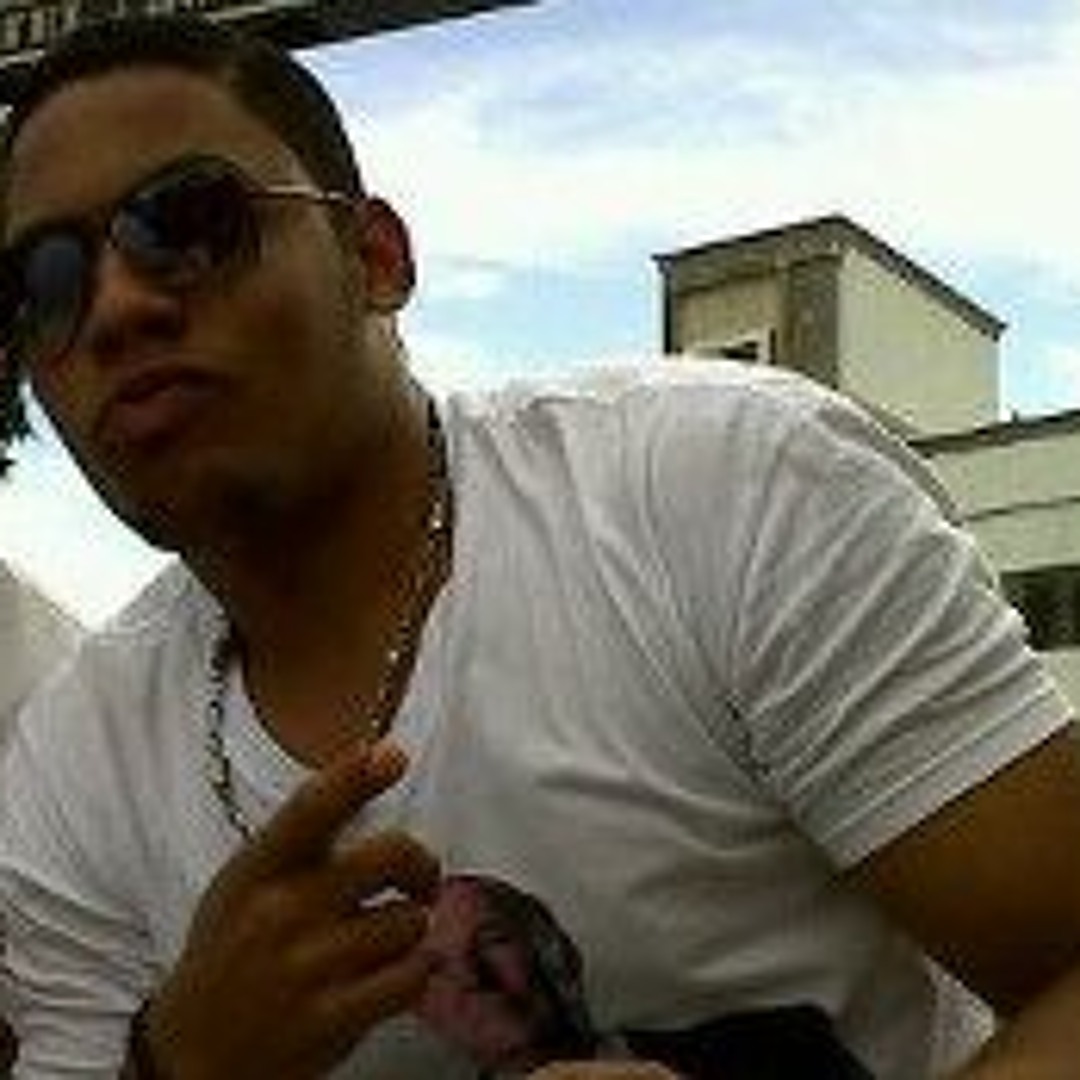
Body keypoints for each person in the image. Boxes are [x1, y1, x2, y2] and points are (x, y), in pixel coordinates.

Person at [4, 13, 1080, 1080]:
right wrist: (176, 1066)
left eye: (188, 223)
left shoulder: (717, 493)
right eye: (44, 285)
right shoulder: (75, 763)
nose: (116, 308)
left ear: (375, 257)